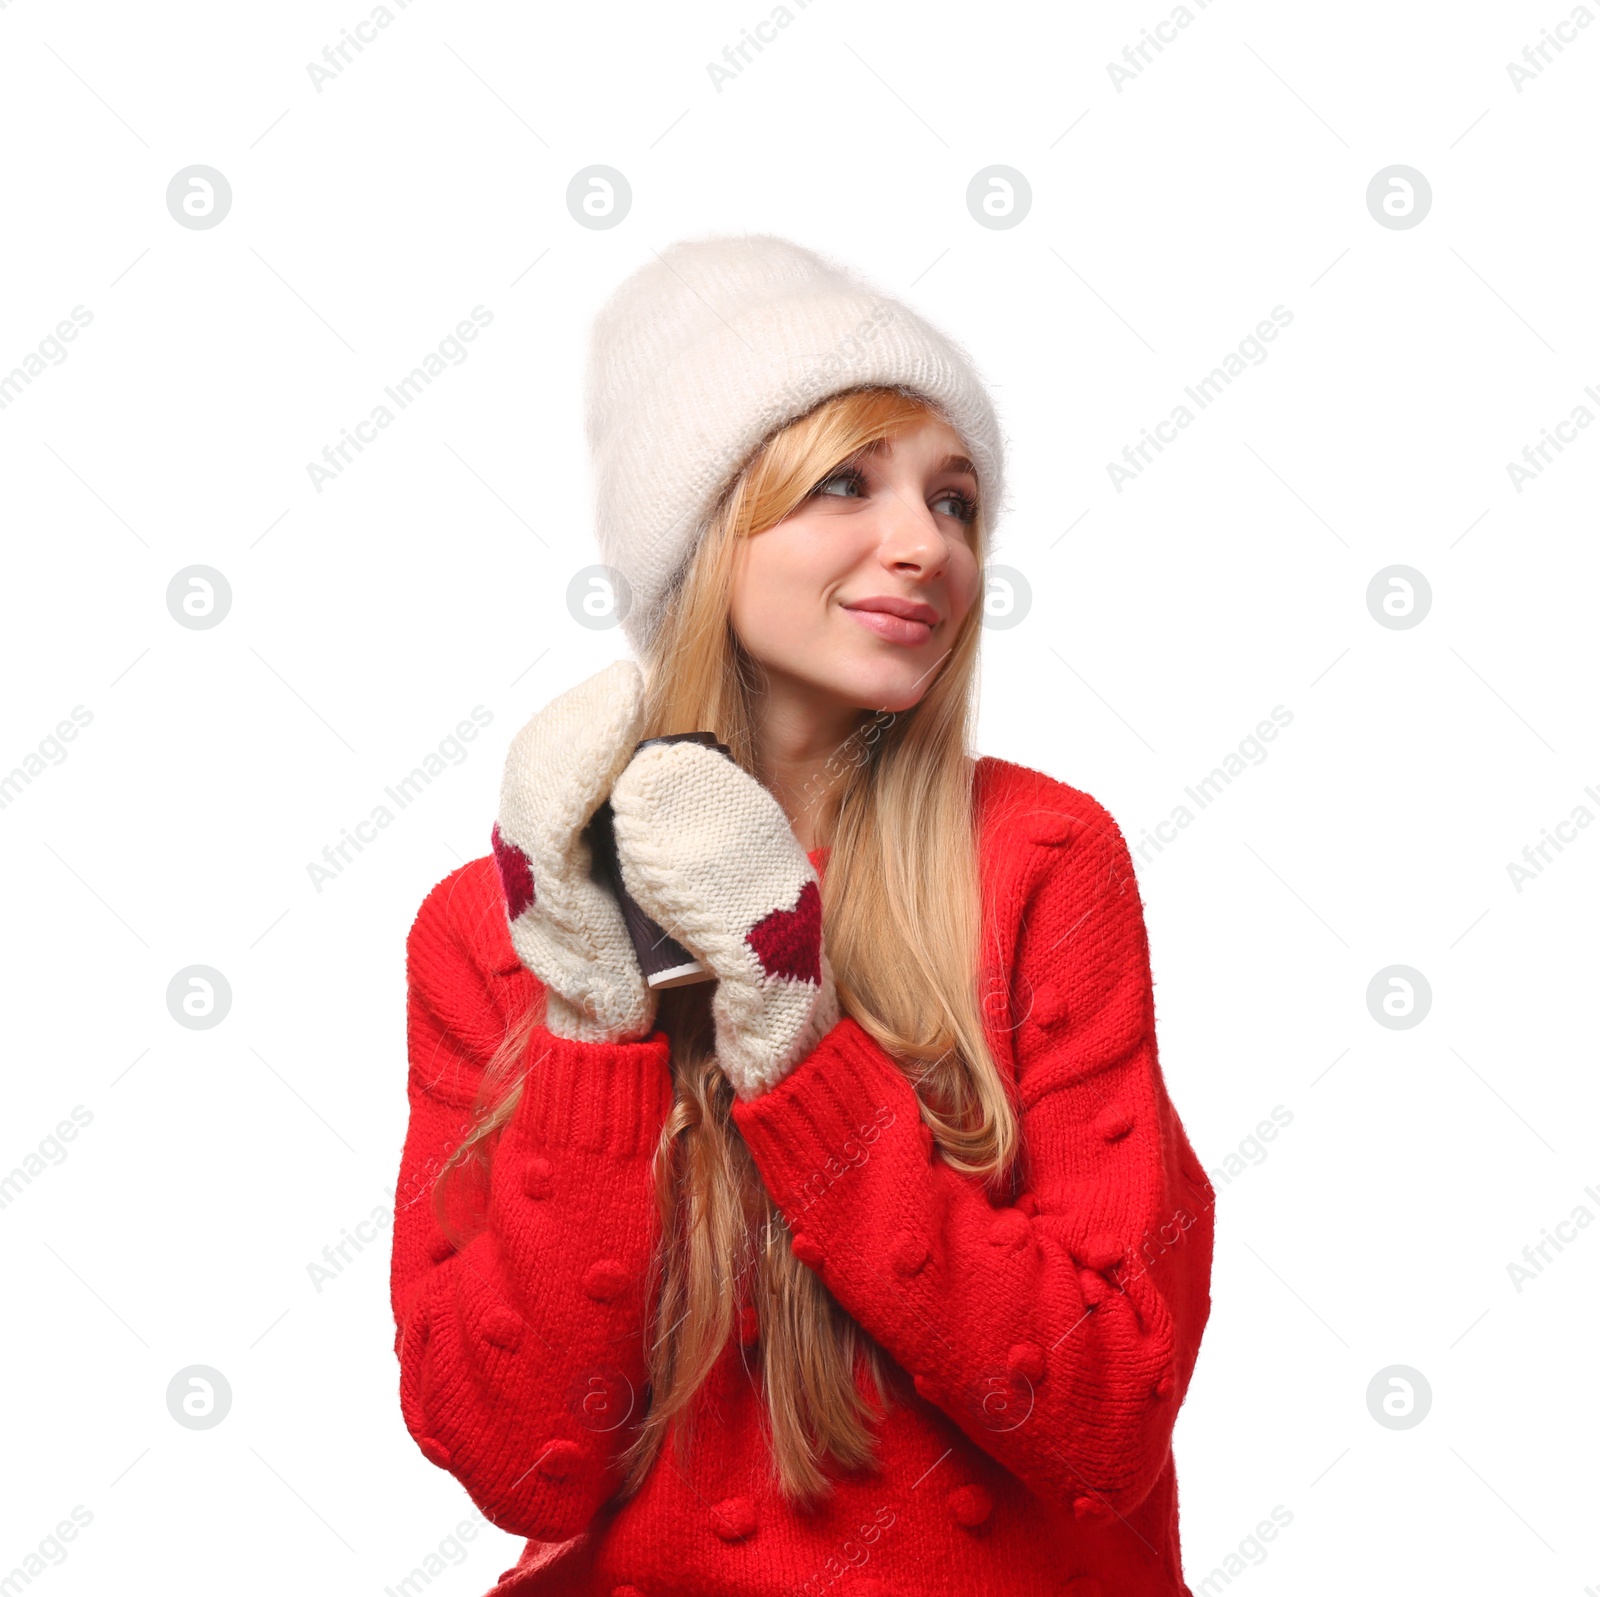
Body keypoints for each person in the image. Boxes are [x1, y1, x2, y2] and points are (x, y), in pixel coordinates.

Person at [390, 235, 1215, 1597]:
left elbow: (1105, 1408)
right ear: (701, 534)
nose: (926, 546)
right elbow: (518, 1460)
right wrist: (593, 1009)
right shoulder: (492, 924)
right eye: (846, 483)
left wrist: (793, 1032)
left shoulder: (1037, 859)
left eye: (956, 501)